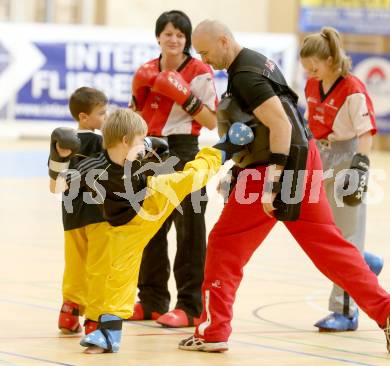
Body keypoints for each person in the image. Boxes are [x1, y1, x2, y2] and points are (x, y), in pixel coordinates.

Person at [177, 20, 390, 354]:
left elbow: (280, 124)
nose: (206, 59)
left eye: (206, 51)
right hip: (307, 157)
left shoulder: (245, 74)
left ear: (224, 41)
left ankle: (214, 330)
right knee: (329, 247)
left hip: (275, 170)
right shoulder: (258, 61)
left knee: (224, 246)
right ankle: (389, 311)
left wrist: (273, 182)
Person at [49, 108, 252, 353]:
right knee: (115, 271)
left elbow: (146, 146)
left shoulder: (138, 153)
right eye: (139, 140)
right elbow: (56, 186)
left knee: (192, 176)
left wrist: (148, 144)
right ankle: (109, 333)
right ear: (125, 141)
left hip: (153, 196)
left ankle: (227, 146)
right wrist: (58, 158)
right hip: (125, 227)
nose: (143, 145)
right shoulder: (94, 166)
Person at [129, 10, 218, 327]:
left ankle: (191, 306)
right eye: (168, 33)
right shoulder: (145, 70)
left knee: (189, 229)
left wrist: (184, 95)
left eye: (180, 35)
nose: (174, 39)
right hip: (149, 149)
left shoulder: (200, 71)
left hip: (183, 149)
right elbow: (135, 114)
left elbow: (212, 121)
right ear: (158, 37)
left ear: (187, 40)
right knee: (148, 227)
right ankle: (151, 300)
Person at [299, 27, 385, 332]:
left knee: (345, 242)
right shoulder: (312, 85)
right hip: (320, 159)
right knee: (328, 236)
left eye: (315, 65)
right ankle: (366, 263)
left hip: (348, 158)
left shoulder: (352, 89)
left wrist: (359, 168)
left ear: (332, 59)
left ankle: (345, 312)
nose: (310, 71)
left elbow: (365, 132)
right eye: (307, 66)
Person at [55, 87, 108, 335]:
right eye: (101, 112)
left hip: (71, 211)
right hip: (98, 212)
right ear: (84, 117)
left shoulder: (62, 141)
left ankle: (69, 312)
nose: (105, 117)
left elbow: (55, 181)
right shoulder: (101, 142)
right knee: (98, 265)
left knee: (75, 262)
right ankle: (95, 320)